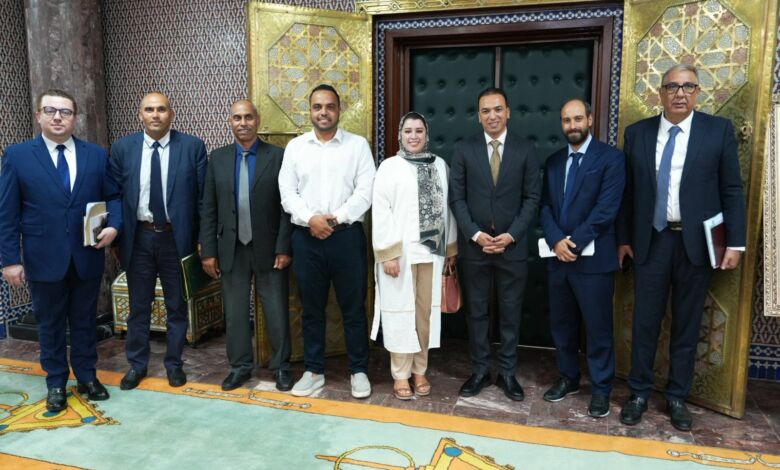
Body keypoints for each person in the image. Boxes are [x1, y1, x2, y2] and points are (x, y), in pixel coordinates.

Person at [617, 64, 746, 430]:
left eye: (688, 87)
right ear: (660, 92)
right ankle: (639, 393)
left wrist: (735, 242)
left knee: (688, 325)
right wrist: (623, 239)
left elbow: (731, 189)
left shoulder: (717, 131)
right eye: (672, 86)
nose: (679, 93)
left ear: (698, 92)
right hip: (652, 241)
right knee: (645, 323)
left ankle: (677, 396)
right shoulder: (638, 133)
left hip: (697, 244)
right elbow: (628, 192)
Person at [0, 89, 121, 411]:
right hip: (42, 257)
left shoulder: (96, 155)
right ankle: (55, 381)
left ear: (74, 117)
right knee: (50, 324)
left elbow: (114, 196)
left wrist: (114, 226)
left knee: (84, 322)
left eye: (65, 112)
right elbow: (7, 213)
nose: (57, 117)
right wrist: (10, 260)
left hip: (86, 255)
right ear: (38, 115)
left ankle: (87, 376)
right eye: (50, 110)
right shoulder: (18, 156)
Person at [278, 84, 376, 398]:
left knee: (354, 308)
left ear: (339, 109)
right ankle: (314, 371)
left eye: (330, 106)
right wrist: (312, 219)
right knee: (311, 309)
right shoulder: (296, 147)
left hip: (346, 238)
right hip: (306, 239)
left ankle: (359, 370)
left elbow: (366, 191)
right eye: (318, 106)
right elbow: (287, 193)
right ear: (310, 110)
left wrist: (335, 218)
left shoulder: (357, 146)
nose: (324, 112)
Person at [109, 92, 207, 390]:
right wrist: (115, 236)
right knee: (139, 307)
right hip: (138, 238)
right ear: (140, 114)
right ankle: (137, 365)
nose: (155, 115)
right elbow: (113, 196)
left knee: (177, 306)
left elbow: (203, 200)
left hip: (177, 239)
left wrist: (202, 241)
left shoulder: (192, 147)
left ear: (171, 114)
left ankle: (174, 365)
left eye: (161, 109)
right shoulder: (122, 148)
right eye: (149, 110)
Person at [449, 87, 541, 401]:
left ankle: (507, 373)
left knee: (510, 312)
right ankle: (479, 371)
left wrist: (511, 234)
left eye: (498, 109)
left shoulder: (525, 148)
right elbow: (457, 199)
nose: (492, 116)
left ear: (508, 112)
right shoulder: (464, 149)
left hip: (511, 247)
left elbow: (532, 198)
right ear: (478, 116)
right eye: (486, 111)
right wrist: (475, 234)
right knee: (476, 312)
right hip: (475, 248)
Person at [538, 99, 625, 418]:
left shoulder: (611, 158)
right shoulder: (553, 161)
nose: (572, 125)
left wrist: (573, 243)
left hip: (593, 261)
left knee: (598, 328)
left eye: (577, 119)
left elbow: (606, 210)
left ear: (590, 119)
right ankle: (568, 377)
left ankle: (601, 389)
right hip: (557, 258)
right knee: (562, 325)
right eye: (566, 120)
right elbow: (545, 207)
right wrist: (556, 241)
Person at [200, 100, 293, 392]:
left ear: (257, 120)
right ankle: (239, 367)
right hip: (231, 248)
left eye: (248, 117)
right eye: (237, 118)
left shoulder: (277, 156)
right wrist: (208, 251)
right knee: (236, 313)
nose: (243, 123)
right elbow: (208, 207)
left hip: (269, 249)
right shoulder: (218, 158)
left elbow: (287, 207)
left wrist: (284, 247)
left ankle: (281, 366)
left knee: (276, 310)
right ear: (230, 122)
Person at [371, 112, 458, 400]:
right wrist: (388, 254)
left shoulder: (440, 165)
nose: (413, 136)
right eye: (408, 130)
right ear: (400, 134)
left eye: (419, 130)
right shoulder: (389, 167)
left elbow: (448, 209)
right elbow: (381, 211)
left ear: (426, 134)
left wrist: (451, 249)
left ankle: (420, 370)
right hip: (401, 255)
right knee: (401, 314)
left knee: (424, 315)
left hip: (431, 254)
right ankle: (400, 374)